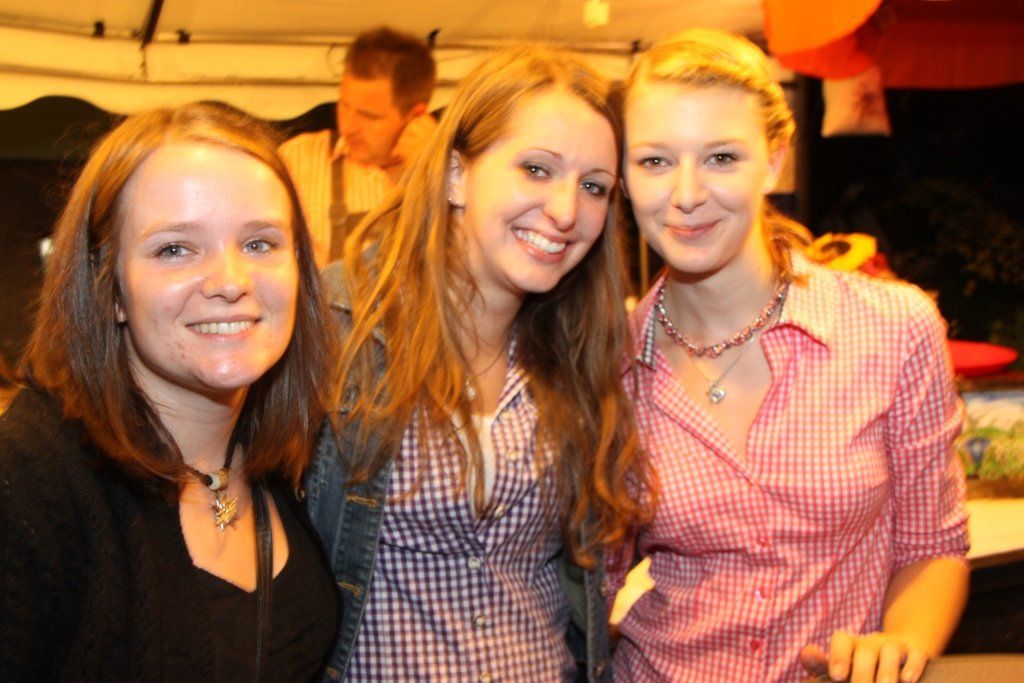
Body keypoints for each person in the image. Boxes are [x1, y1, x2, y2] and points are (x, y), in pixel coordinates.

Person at [608, 29, 969, 683]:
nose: (685, 193)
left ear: (774, 161)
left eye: (722, 157)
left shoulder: (893, 329)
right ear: (625, 176)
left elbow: (932, 546)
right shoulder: (608, 365)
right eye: (655, 161)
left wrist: (899, 643)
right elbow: (590, 579)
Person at [304, 45, 650, 682]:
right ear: (456, 175)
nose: (566, 211)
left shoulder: (578, 351)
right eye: (536, 169)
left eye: (594, 186)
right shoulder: (336, 325)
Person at [0, 103, 341, 680]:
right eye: (175, 249)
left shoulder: (290, 460)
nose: (230, 282)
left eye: (260, 243)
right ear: (110, 290)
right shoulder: (27, 486)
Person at [280, 26, 438, 266]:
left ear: (416, 116)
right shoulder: (296, 160)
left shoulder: (451, 177)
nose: (348, 126)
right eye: (344, 105)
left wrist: (432, 170)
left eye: (369, 116)